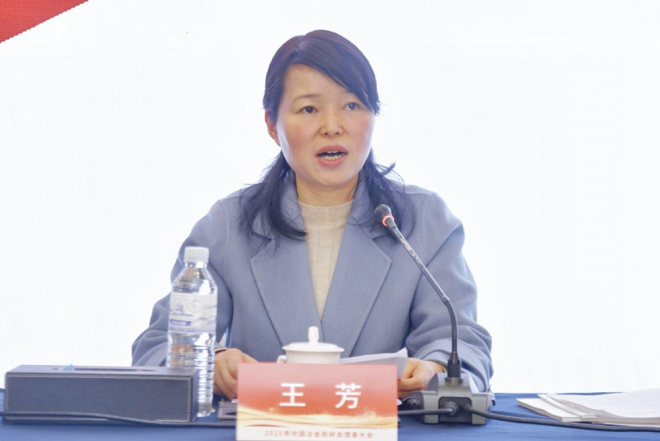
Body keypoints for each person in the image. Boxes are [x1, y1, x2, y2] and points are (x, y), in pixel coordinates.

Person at [131, 29, 493, 399]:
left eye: (352, 106)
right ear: (272, 125)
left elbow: (461, 344)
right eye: (309, 109)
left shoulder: (423, 221)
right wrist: (214, 362)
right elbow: (156, 347)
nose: (332, 127)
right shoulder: (228, 226)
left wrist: (435, 369)